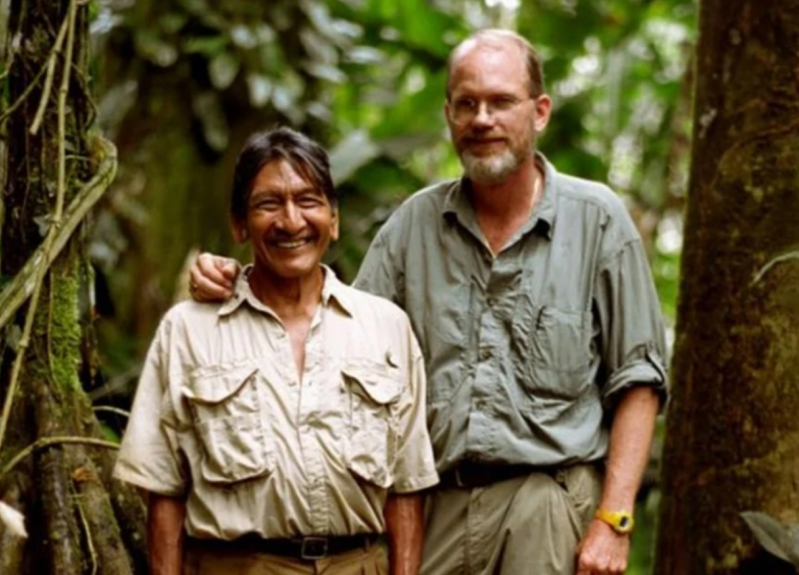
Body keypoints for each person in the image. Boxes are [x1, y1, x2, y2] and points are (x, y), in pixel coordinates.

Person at [189, 29, 668, 575]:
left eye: (500, 102)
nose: (482, 119)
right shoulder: (413, 225)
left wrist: (614, 520)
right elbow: (331, 332)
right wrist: (239, 281)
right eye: (467, 104)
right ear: (448, 116)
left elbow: (638, 379)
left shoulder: (597, 220)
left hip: (548, 497)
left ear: (539, 112)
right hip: (435, 502)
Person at [114, 127, 439, 575]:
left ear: (334, 218)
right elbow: (164, 491)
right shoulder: (188, 330)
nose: (291, 221)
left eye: (308, 201)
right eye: (269, 203)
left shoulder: (386, 328)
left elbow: (407, 487)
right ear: (239, 224)